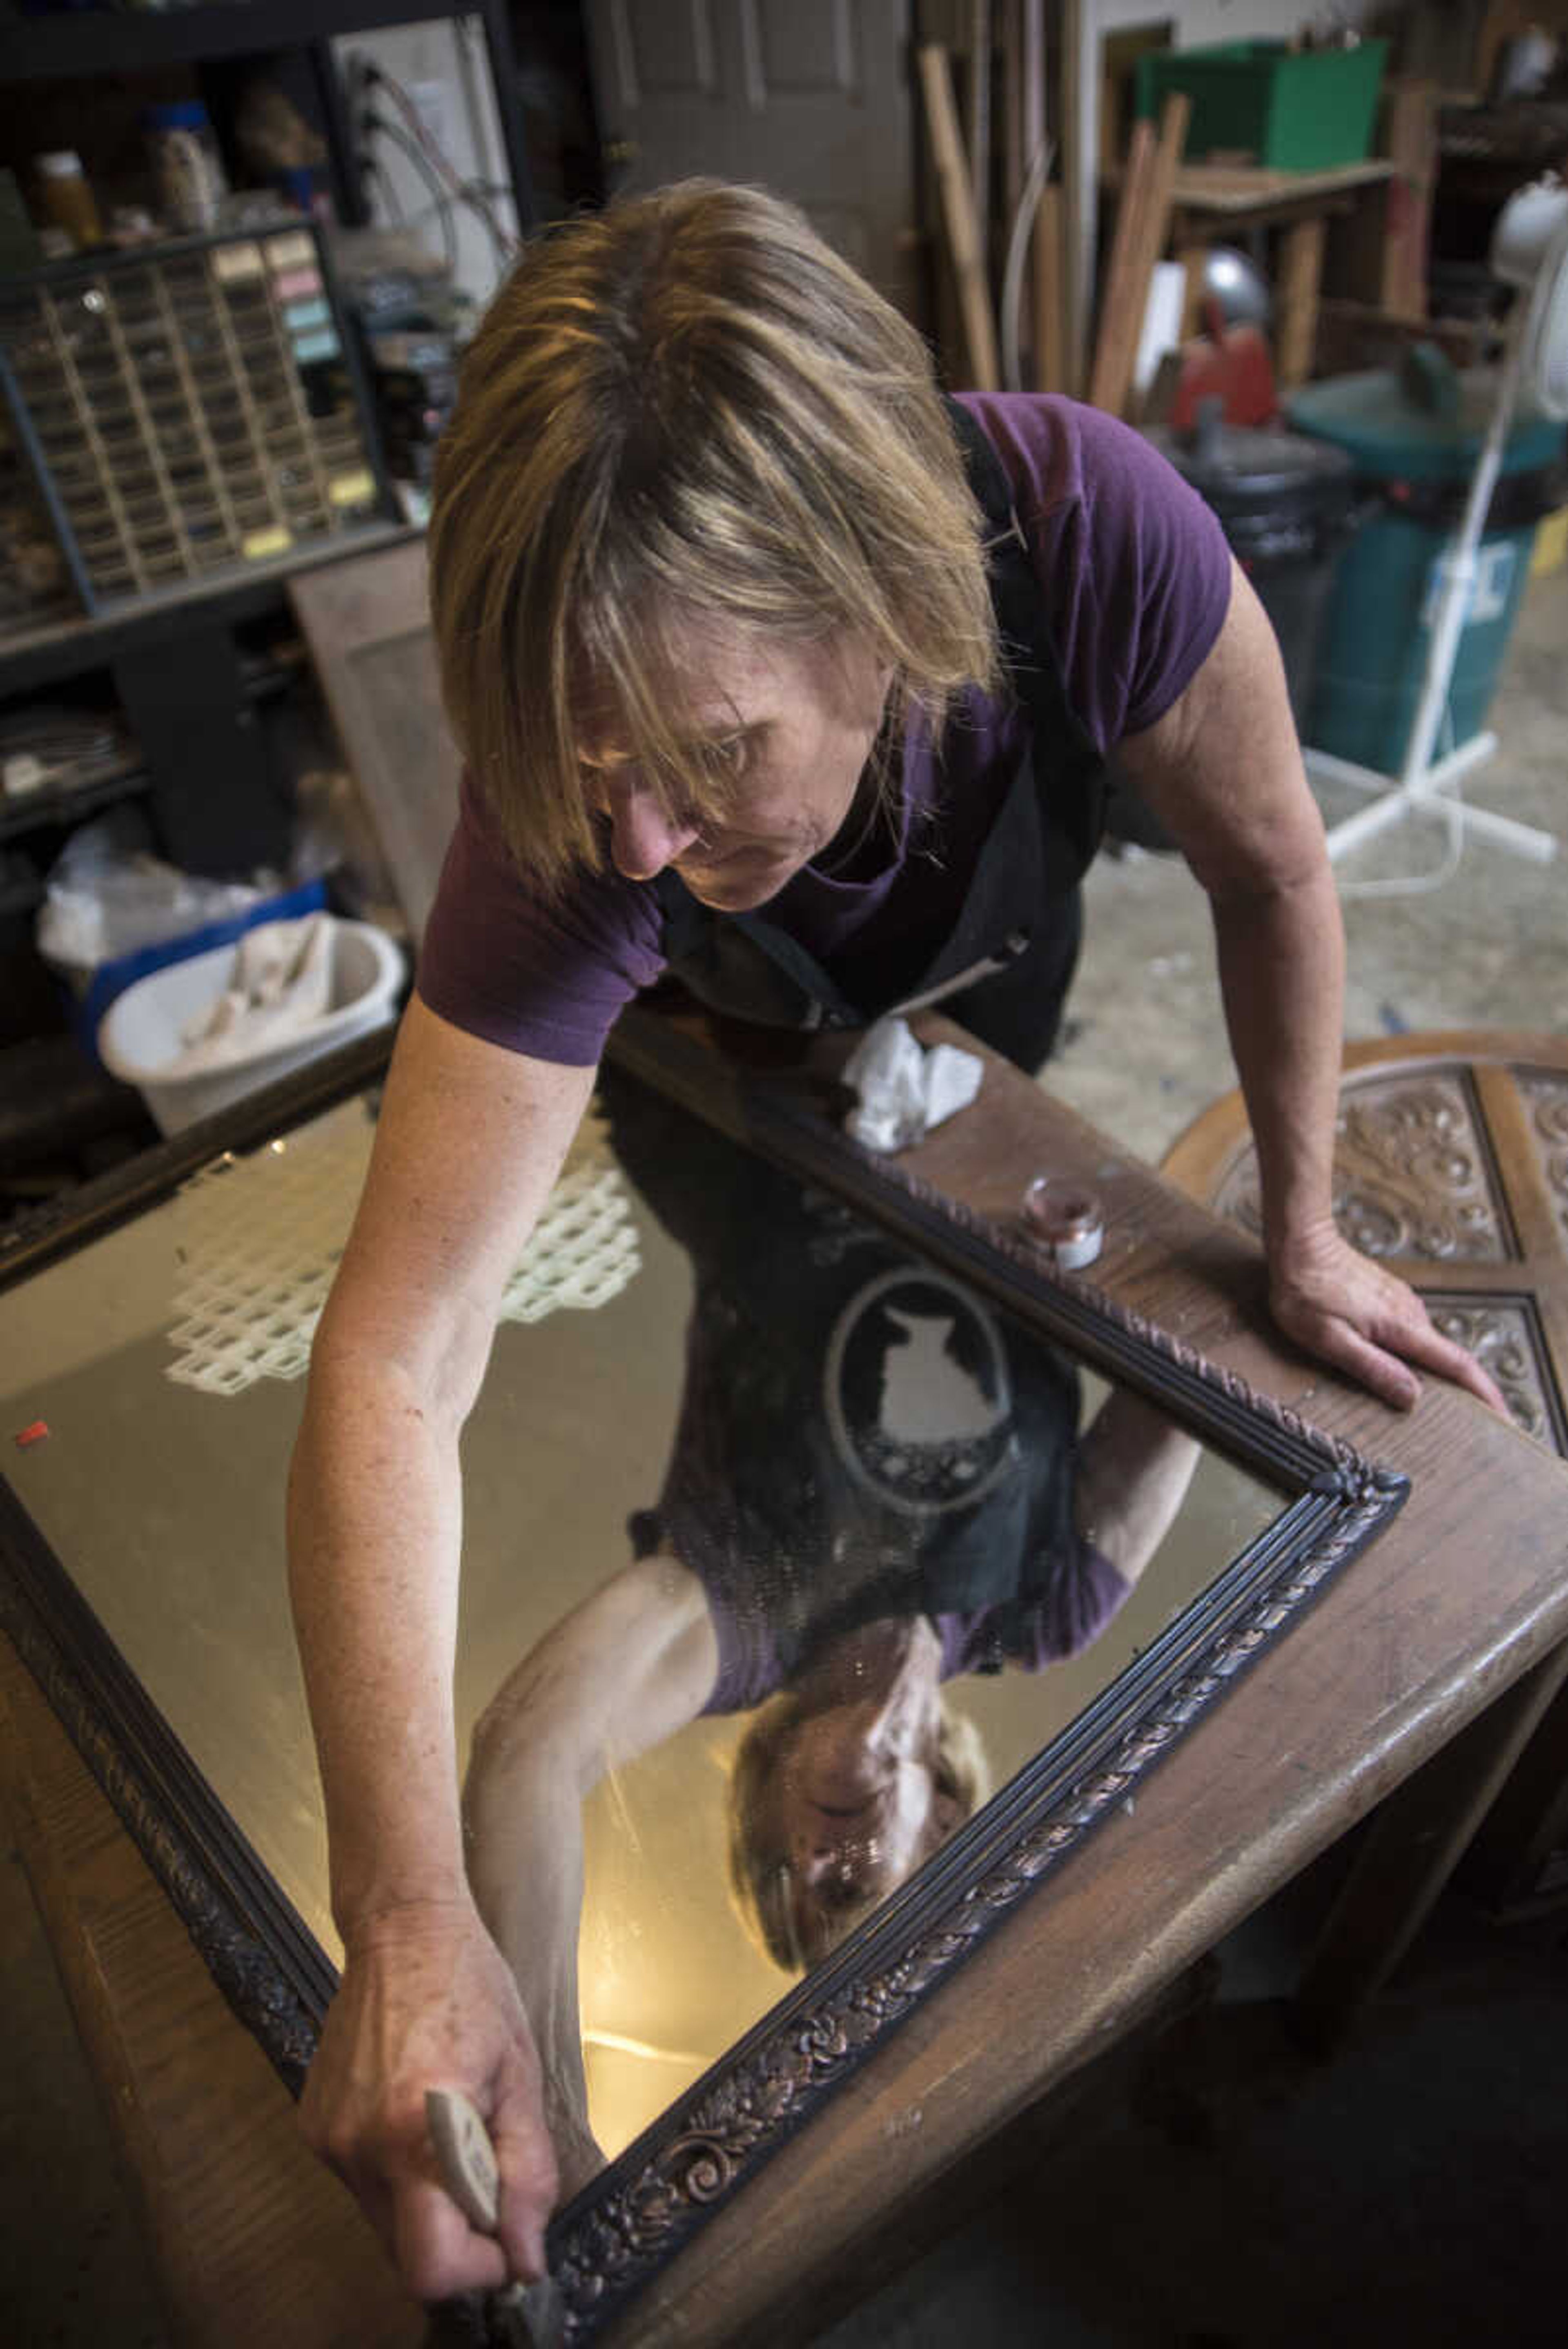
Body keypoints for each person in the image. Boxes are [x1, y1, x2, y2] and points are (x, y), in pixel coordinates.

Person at [286, 178, 1506, 2305]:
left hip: (973, 1043)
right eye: (596, 771)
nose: (648, 835)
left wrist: (1300, 1225)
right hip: (735, 1115)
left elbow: (1272, 864)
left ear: (870, 602)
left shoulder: (1084, 532)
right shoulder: (586, 820)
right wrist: (416, 1933)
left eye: (712, 754)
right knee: (693, 942)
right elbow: (400, 1357)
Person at [460, 1064, 1201, 2196]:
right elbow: (1202, 1356)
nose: (818, 1857)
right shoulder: (1041, 1610)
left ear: (757, 1805)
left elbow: (529, 1751)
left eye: (782, 1875)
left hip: (756, 1079)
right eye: (856, 1888)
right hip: (980, 1105)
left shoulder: (743, 1617)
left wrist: (552, 2131)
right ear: (944, 1821)